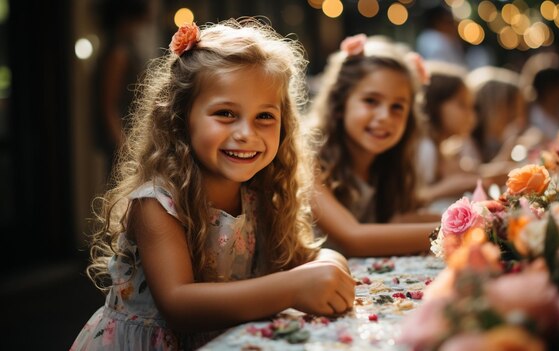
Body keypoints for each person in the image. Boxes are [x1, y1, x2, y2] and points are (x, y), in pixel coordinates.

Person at [72, 19, 355, 350]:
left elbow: (297, 261)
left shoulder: (260, 194)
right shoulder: (156, 203)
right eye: (225, 113)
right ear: (180, 117)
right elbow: (179, 304)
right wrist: (293, 287)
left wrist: (328, 261)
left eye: (265, 117)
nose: (246, 133)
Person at [306, 34, 438, 257]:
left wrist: (479, 214)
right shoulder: (308, 157)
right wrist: (461, 230)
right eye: (371, 101)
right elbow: (354, 238)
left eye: (397, 107)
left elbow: (399, 221)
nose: (385, 116)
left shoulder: (388, 164)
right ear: (340, 103)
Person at [93, 0, 156, 181]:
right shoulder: (119, 52)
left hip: (130, 138)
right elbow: (108, 105)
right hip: (124, 139)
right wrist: (124, 149)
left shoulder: (125, 46)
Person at [416, 61, 482, 212]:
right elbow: (411, 203)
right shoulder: (425, 148)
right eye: (462, 105)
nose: (471, 116)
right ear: (435, 105)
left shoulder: (440, 148)